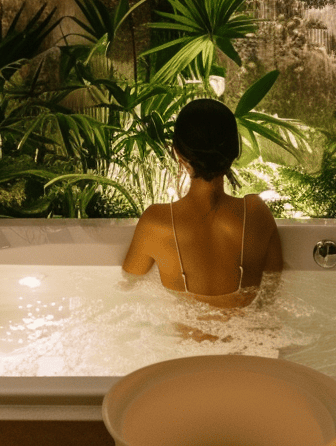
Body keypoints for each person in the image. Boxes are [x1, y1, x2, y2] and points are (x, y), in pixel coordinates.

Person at [121, 98, 283, 309]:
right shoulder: (257, 213)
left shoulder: (155, 223)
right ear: (235, 152)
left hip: (183, 341)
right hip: (247, 339)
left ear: (178, 153)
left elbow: (129, 284)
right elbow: (271, 289)